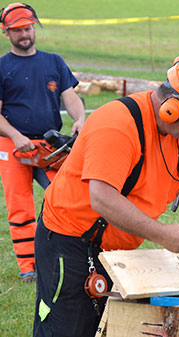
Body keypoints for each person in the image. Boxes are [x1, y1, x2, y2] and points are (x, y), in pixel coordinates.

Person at [33, 58, 179, 337]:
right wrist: (162, 235)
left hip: (116, 247)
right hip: (71, 241)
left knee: (107, 326)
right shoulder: (117, 125)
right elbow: (103, 198)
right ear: (172, 108)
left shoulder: (178, 133)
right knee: (67, 327)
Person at [0, 3, 85, 283]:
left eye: (27, 28)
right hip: (11, 146)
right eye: (17, 30)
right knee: (20, 205)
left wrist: (80, 118)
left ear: (33, 28)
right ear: (6, 33)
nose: (24, 34)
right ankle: (28, 268)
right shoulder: (2, 67)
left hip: (51, 146)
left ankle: (65, 255)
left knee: (65, 197)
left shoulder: (54, 62)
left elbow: (69, 96)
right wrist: (15, 136)